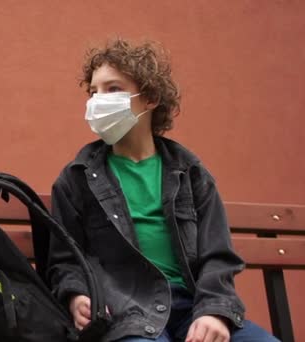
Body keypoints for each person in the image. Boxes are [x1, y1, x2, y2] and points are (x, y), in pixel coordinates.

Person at [47, 38, 278, 342]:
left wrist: (215, 312)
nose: (97, 100)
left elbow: (218, 255)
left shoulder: (190, 172)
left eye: (112, 89)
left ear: (151, 98)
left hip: (193, 308)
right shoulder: (76, 178)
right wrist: (75, 296)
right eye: (93, 92)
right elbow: (65, 260)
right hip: (125, 313)